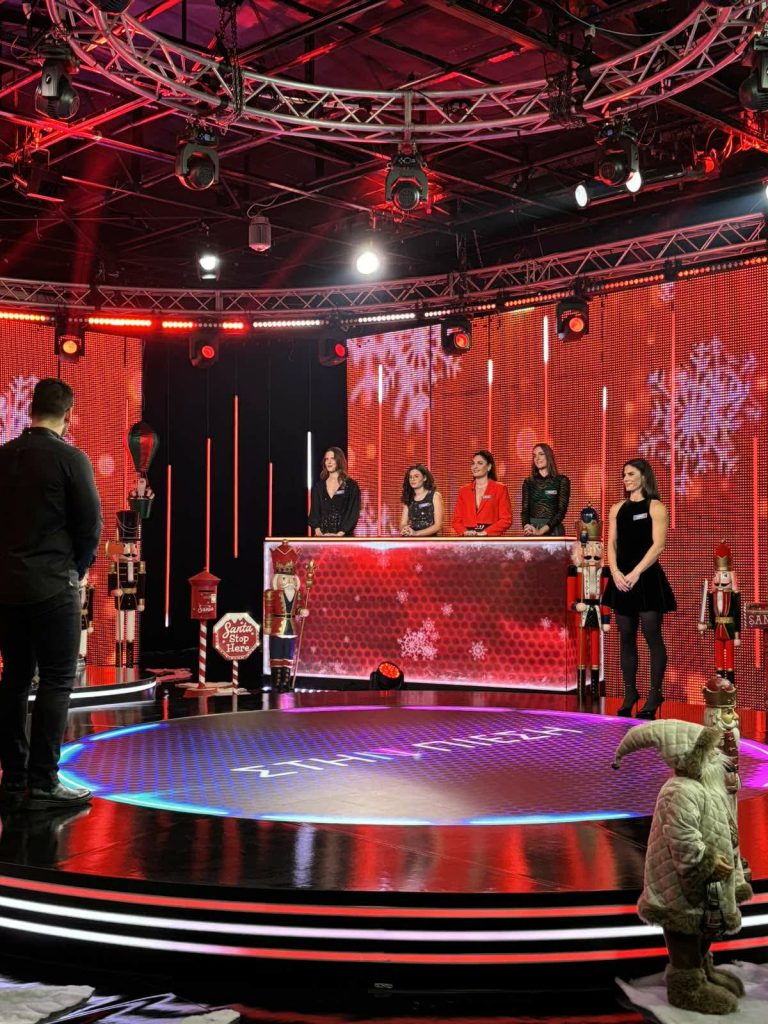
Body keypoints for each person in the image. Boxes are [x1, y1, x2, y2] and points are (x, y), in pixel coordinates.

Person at [0, 379, 102, 810]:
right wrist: (74, 571)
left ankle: (12, 778)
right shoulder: (71, 458)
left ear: (31, 410)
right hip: (53, 586)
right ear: (69, 414)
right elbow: (90, 526)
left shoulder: (4, 456)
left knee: (14, 679)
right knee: (57, 681)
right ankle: (43, 781)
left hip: (7, 587)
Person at [612, 719, 752, 1014]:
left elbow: (720, 826)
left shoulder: (706, 786)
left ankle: (702, 970)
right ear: (692, 756)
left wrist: (733, 861)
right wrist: (706, 862)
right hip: (681, 881)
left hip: (707, 880)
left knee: (702, 928)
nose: (716, 755)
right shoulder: (679, 791)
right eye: (709, 751)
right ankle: (686, 986)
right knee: (685, 932)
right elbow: (682, 838)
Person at [603, 458, 676, 719]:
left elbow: (658, 545)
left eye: (631, 474)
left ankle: (654, 694)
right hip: (621, 578)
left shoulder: (656, 507)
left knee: (651, 634)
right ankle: (630, 692)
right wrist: (615, 572)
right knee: (626, 636)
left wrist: (636, 573)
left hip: (645, 579)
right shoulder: (616, 508)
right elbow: (611, 543)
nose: (626, 479)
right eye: (624, 475)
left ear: (644, 476)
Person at [263, 542, 309, 692]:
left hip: (291, 628)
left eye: (291, 579)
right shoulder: (271, 594)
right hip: (277, 627)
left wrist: (302, 611)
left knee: (288, 656)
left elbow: (298, 608)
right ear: (277, 579)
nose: (288, 582)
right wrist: (267, 626)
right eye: (284, 579)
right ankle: (276, 684)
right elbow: (269, 611)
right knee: (276, 655)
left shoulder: (298, 594)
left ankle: (286, 683)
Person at [451, 450, 512, 537]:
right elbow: (457, 521)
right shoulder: (463, 491)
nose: (475, 467)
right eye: (473, 463)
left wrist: (485, 532)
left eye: (479, 463)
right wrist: (465, 532)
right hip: (468, 539)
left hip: (490, 539)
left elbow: (506, 519)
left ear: (489, 467)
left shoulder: (500, 489)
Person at [308, 447, 360, 537]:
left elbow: (353, 513)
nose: (329, 462)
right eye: (326, 459)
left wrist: (339, 534)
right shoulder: (318, 487)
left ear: (339, 460)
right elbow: (314, 513)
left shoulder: (352, 486)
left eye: (332, 458)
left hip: (343, 539)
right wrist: (319, 533)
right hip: (321, 538)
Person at [521, 443, 570, 536]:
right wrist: (527, 527)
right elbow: (525, 510)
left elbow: (561, 511)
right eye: (534, 455)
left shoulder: (561, 480)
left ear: (548, 456)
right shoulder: (528, 482)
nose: (537, 458)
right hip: (532, 530)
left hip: (553, 530)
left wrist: (541, 531)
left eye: (541, 454)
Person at [399, 464, 444, 537]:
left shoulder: (435, 496)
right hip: (411, 539)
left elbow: (438, 525)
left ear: (424, 478)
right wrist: (405, 529)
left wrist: (416, 533)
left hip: (430, 540)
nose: (412, 479)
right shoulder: (409, 497)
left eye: (416, 476)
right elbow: (403, 523)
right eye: (410, 477)